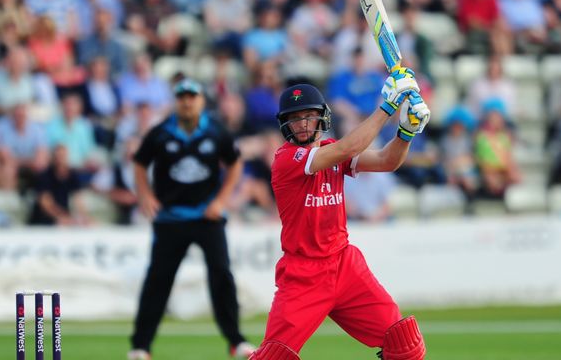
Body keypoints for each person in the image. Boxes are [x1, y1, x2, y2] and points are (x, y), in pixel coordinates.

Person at [250, 68, 431, 360]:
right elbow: (351, 146)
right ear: (285, 125)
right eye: (295, 118)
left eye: (308, 115)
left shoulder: (333, 150)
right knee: (274, 357)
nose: (302, 124)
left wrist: (407, 131)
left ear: (322, 116)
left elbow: (387, 160)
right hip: (303, 274)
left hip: (345, 265)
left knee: (405, 347)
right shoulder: (287, 159)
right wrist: (387, 107)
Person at [128, 78, 255, 360]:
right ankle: (141, 346)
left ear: (201, 101)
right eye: (182, 96)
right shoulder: (161, 133)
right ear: (176, 101)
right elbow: (139, 162)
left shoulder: (216, 131)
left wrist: (221, 201)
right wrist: (145, 195)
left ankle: (236, 341)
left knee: (221, 275)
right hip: (171, 219)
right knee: (158, 280)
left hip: (207, 217)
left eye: (192, 96)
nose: (187, 101)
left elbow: (235, 163)